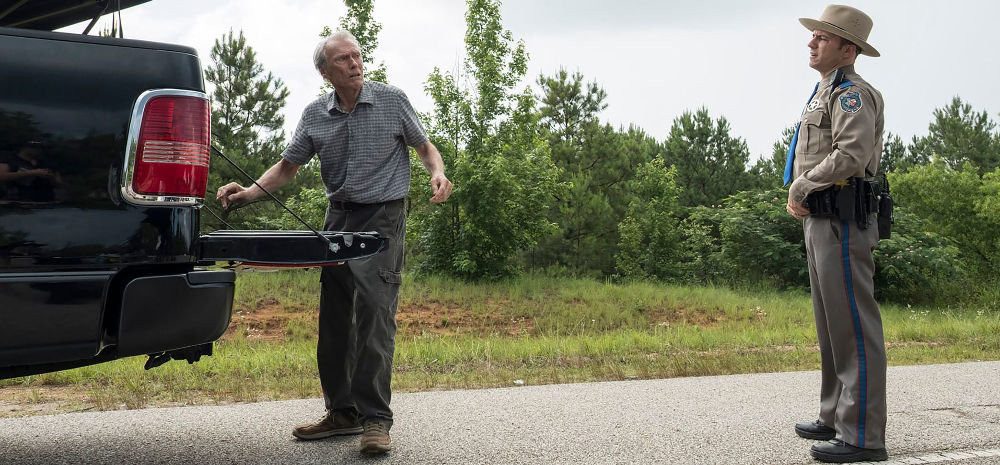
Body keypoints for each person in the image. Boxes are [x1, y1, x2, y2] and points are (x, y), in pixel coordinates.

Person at [216, 30, 452, 455]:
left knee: (376, 316)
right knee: (336, 317)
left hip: (383, 217)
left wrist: (437, 172)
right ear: (324, 71)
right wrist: (248, 194)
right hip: (337, 217)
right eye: (343, 59)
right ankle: (342, 412)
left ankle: (376, 420)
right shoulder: (314, 115)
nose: (355, 63)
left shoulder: (391, 100)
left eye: (357, 56)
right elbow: (287, 168)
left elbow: (425, 147)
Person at [782, 5, 888, 463]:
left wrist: (802, 184)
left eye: (822, 38)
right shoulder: (822, 91)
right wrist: (802, 195)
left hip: (843, 222)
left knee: (853, 330)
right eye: (815, 37)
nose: (811, 42)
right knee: (830, 327)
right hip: (820, 220)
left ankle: (862, 437)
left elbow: (850, 154)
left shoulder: (852, 95)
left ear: (848, 49)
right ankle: (834, 416)